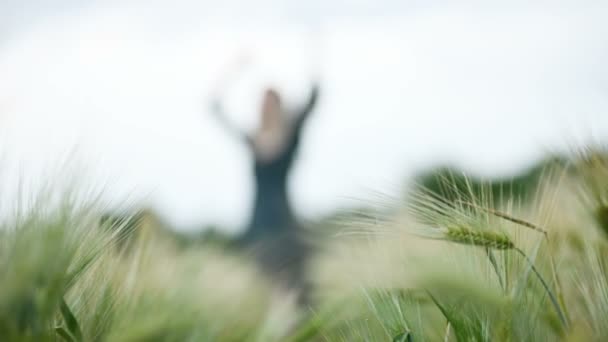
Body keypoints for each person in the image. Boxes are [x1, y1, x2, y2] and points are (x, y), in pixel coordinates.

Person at [210, 76, 320, 290]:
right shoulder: (253, 139)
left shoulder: (289, 137)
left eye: (271, 101)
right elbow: (214, 106)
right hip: (258, 224)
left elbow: (314, 97)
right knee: (264, 288)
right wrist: (235, 68)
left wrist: (314, 47)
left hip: (285, 226)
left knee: (294, 291)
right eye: (264, 102)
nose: (266, 106)